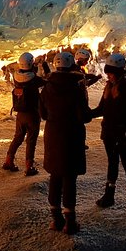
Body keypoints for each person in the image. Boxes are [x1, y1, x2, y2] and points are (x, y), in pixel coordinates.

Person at [39, 52, 92, 234]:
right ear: (71, 66)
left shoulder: (47, 88)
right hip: (72, 134)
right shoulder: (76, 88)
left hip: (53, 135)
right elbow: (84, 116)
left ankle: (56, 220)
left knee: (55, 175)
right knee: (69, 177)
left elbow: (43, 114)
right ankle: (70, 222)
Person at [91, 53, 126, 214]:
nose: (109, 75)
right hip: (109, 132)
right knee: (112, 163)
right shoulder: (109, 86)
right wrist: (84, 115)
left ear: (119, 72)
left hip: (124, 133)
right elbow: (102, 108)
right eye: (108, 72)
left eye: (111, 73)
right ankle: (109, 195)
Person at [3, 52, 46, 176]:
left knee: (18, 137)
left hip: (20, 113)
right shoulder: (34, 79)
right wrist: (42, 65)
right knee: (31, 140)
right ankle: (29, 166)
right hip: (32, 113)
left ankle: (8, 160)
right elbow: (45, 80)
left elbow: (27, 73)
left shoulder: (17, 77)